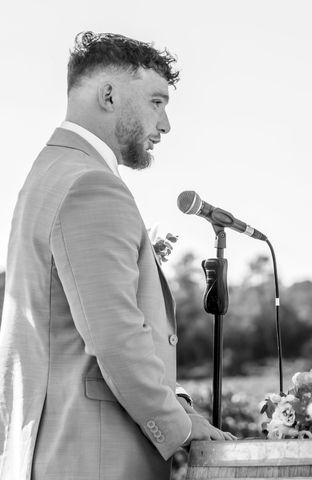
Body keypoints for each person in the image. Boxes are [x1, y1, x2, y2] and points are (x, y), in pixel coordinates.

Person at [0, 32, 233, 480]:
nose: (165, 125)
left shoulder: (46, 174)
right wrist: (179, 427)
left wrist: (176, 401)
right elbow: (114, 335)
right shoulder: (91, 184)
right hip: (94, 458)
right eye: (156, 102)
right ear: (108, 95)